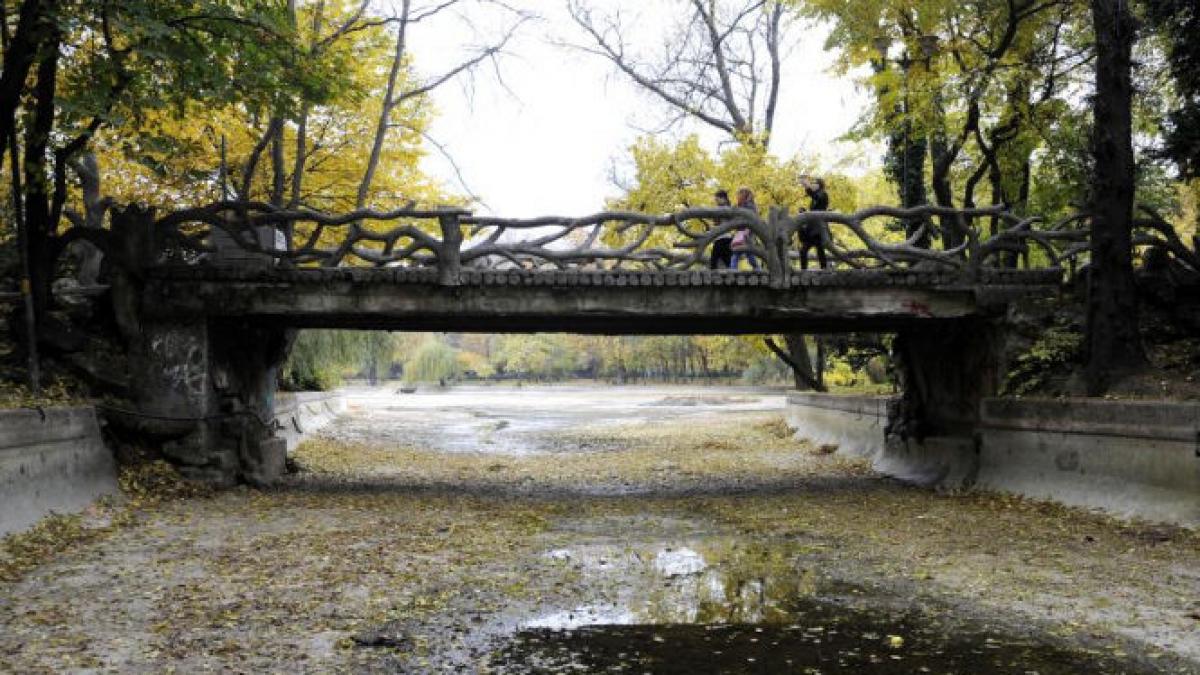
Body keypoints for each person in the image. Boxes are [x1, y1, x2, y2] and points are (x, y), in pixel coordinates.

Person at [798, 176, 830, 270]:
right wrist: (804, 211)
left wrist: (807, 186)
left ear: (819, 185)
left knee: (820, 250)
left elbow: (816, 197)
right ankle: (803, 270)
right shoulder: (815, 196)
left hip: (819, 229)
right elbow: (814, 208)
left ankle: (824, 269)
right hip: (811, 229)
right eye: (812, 183)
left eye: (814, 183)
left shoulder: (823, 194)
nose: (812, 184)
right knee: (803, 251)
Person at [730, 187, 761, 270]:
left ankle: (757, 269)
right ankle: (733, 270)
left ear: (744, 195)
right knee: (736, 253)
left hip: (747, 233)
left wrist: (748, 229)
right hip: (740, 233)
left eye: (739, 194)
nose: (737, 196)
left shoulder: (750, 206)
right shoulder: (740, 206)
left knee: (749, 253)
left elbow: (753, 219)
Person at [709, 190, 733, 269]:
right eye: (716, 200)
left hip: (724, 239)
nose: (717, 202)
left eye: (717, 200)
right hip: (720, 239)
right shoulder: (719, 209)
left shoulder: (727, 208)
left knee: (714, 262)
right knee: (725, 262)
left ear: (724, 199)